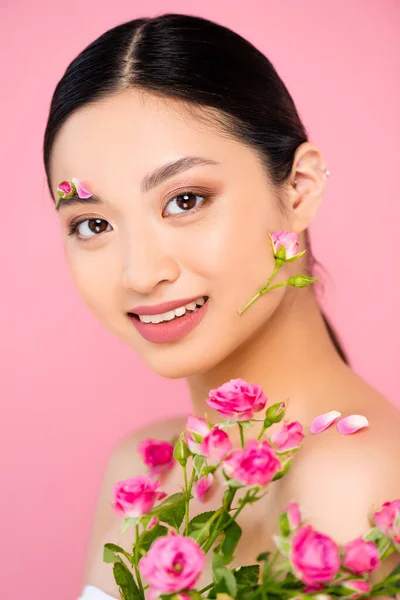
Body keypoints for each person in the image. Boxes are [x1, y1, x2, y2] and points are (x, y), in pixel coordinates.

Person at [42, 12, 400, 600]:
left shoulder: (357, 481)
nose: (140, 272)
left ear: (299, 187)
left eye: (185, 200)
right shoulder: (144, 470)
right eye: (93, 223)